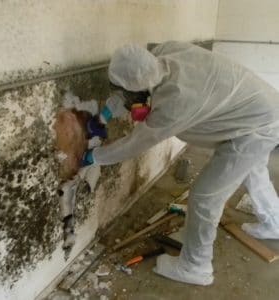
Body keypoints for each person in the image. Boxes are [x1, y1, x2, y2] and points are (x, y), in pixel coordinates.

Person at [82, 41, 279, 286]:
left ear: (142, 91)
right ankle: (275, 223)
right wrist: (104, 116)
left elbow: (136, 143)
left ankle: (196, 266)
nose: (126, 99)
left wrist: (95, 157)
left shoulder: (174, 102)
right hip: (264, 106)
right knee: (254, 171)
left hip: (256, 128)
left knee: (206, 196)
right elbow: (129, 80)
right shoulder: (162, 52)